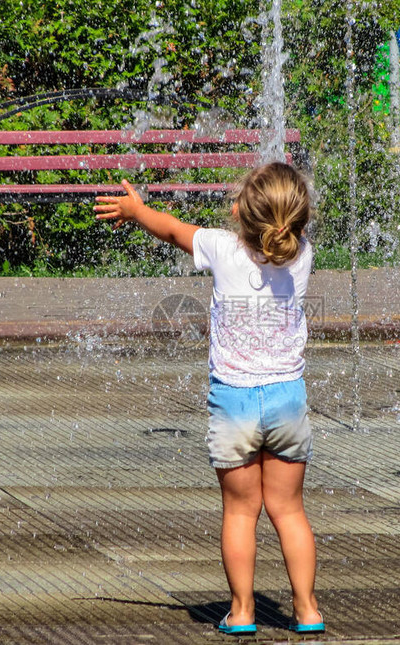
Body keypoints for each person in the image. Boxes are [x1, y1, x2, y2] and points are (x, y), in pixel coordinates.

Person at [94, 162, 324, 636]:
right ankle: (306, 609)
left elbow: (174, 231)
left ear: (242, 214)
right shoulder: (302, 255)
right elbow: (271, 230)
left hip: (234, 403)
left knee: (241, 512)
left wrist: (137, 211)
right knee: (290, 511)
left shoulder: (222, 249)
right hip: (287, 399)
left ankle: (241, 612)